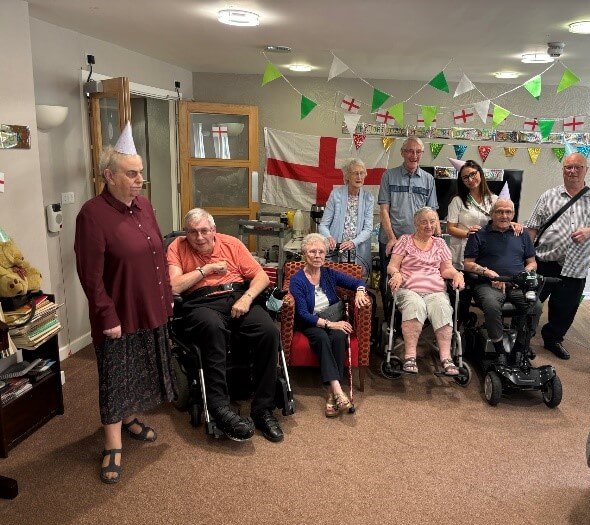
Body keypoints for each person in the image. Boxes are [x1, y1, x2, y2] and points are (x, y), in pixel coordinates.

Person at [74, 122, 175, 485]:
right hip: (118, 314)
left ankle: (130, 418)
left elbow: (156, 254)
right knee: (116, 377)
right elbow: (90, 274)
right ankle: (112, 443)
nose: (139, 180)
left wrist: (167, 296)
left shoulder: (144, 205)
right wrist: (106, 315)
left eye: (141, 174)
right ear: (109, 176)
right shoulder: (92, 214)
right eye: (132, 174)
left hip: (151, 305)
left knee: (142, 368)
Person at [166, 208, 283, 443]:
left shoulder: (232, 244)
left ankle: (262, 409)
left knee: (269, 332)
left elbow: (261, 277)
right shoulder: (177, 247)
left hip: (237, 297)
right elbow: (174, 287)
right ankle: (219, 406)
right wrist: (206, 269)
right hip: (200, 303)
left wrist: (247, 298)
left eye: (204, 231)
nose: (199, 237)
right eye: (193, 232)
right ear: (186, 233)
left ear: (214, 230)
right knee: (212, 330)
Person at [526, 152, 590, 360]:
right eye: (568, 167)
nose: (572, 171)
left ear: (586, 170)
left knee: (565, 307)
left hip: (576, 264)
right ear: (563, 170)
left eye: (577, 167)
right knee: (530, 303)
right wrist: (527, 258)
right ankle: (523, 339)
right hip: (545, 261)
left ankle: (553, 339)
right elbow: (532, 228)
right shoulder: (549, 195)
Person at [288, 233, 371, 417]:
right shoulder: (297, 280)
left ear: (326, 254)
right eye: (312, 251)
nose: (317, 255)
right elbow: (302, 313)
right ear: (304, 254)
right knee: (322, 337)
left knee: (340, 336)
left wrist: (359, 291)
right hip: (310, 322)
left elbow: (358, 281)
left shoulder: (329, 273)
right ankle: (338, 390)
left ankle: (331, 395)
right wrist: (330, 324)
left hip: (333, 317)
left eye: (321, 252)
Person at [387, 207, 464, 375]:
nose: (429, 225)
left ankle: (446, 357)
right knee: (415, 306)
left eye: (432, 221)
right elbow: (392, 265)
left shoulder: (440, 243)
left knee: (443, 307)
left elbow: (446, 270)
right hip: (408, 288)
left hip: (435, 290)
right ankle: (410, 356)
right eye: (424, 222)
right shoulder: (405, 241)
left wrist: (457, 274)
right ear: (416, 224)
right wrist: (396, 274)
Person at [463, 198, 539, 364]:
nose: (504, 215)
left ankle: (520, 347)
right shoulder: (479, 234)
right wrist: (487, 272)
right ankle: (500, 351)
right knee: (491, 306)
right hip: (489, 284)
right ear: (492, 214)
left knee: (535, 306)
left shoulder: (522, 234)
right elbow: (467, 264)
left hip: (517, 285)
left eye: (508, 212)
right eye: (499, 211)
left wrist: (524, 275)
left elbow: (532, 262)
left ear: (513, 214)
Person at [378, 137, 438, 301]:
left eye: (418, 152)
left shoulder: (428, 179)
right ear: (402, 153)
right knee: (389, 279)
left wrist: (435, 238)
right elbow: (384, 209)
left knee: (413, 281)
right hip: (392, 239)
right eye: (410, 151)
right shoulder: (388, 176)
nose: (414, 155)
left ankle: (409, 317)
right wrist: (391, 238)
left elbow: (432, 213)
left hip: (417, 242)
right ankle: (389, 318)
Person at [447, 160, 522, 270]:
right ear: (462, 181)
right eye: (465, 177)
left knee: (485, 277)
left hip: (487, 249)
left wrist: (514, 224)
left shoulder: (494, 200)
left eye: (473, 174)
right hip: (463, 248)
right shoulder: (457, 201)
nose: (470, 179)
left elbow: (501, 220)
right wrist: (468, 234)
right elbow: (450, 228)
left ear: (480, 173)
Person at [318, 158, 375, 276]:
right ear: (347, 176)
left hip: (358, 250)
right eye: (355, 173)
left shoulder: (369, 198)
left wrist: (353, 242)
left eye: (362, 173)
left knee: (355, 284)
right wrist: (329, 237)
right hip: (336, 250)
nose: (359, 177)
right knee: (335, 281)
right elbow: (323, 225)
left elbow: (368, 229)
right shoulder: (336, 194)